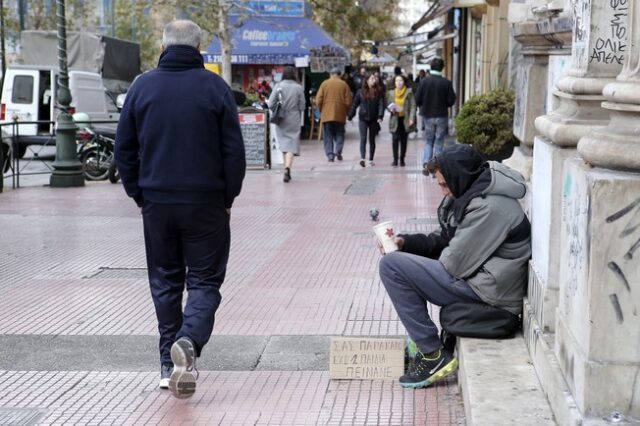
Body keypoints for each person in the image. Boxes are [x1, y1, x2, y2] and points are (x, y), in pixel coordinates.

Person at [114, 19, 246, 399]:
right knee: (205, 280)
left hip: (157, 202)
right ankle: (188, 343)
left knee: (165, 281)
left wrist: (139, 193)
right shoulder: (214, 87)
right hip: (206, 202)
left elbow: (124, 149)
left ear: (163, 45)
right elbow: (233, 152)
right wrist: (228, 197)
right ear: (200, 46)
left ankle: (166, 362)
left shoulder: (142, 86)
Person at [378, 144, 531, 389]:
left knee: (392, 266)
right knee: (401, 263)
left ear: (459, 177)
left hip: (490, 294)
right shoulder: (473, 195)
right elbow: (447, 239)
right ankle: (423, 344)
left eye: (444, 185)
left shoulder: (489, 208)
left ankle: (432, 354)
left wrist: (412, 267)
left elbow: (453, 265)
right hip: (482, 281)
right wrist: (406, 243)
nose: (443, 192)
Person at [415, 57, 456, 168]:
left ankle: (426, 162)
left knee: (429, 140)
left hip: (427, 115)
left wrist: (424, 104)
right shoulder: (446, 83)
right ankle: (436, 166)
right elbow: (452, 100)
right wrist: (445, 105)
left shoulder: (424, 82)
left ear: (431, 67)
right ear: (442, 68)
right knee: (439, 140)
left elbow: (417, 99)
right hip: (441, 115)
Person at [267, 66, 305, 182]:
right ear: (294, 74)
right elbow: (302, 105)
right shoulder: (299, 88)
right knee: (292, 143)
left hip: (281, 117)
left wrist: (278, 109)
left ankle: (286, 168)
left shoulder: (278, 86)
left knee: (284, 143)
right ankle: (287, 168)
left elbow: (270, 103)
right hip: (294, 117)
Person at [315, 67, 353, 162]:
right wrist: (346, 111)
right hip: (340, 114)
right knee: (340, 133)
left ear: (330, 74)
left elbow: (318, 100)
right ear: (340, 75)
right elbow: (348, 101)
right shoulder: (344, 84)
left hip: (327, 114)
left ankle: (330, 155)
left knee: (328, 135)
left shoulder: (324, 84)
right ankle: (338, 151)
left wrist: (321, 109)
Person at [348, 73, 385, 167]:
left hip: (374, 119)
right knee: (363, 138)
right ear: (367, 80)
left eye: (375, 78)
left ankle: (371, 159)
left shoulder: (378, 92)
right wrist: (350, 115)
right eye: (372, 78)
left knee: (372, 139)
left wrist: (380, 116)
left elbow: (381, 105)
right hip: (363, 118)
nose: (374, 80)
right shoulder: (360, 92)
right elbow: (354, 104)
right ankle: (362, 158)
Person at [386, 75, 416, 167]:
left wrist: (412, 118)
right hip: (395, 119)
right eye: (396, 81)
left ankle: (402, 159)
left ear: (404, 81)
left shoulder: (409, 92)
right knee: (395, 139)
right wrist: (390, 109)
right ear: (394, 83)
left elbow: (413, 106)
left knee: (403, 140)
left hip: (405, 119)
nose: (398, 82)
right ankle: (395, 160)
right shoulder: (391, 93)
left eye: (401, 80)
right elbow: (388, 105)